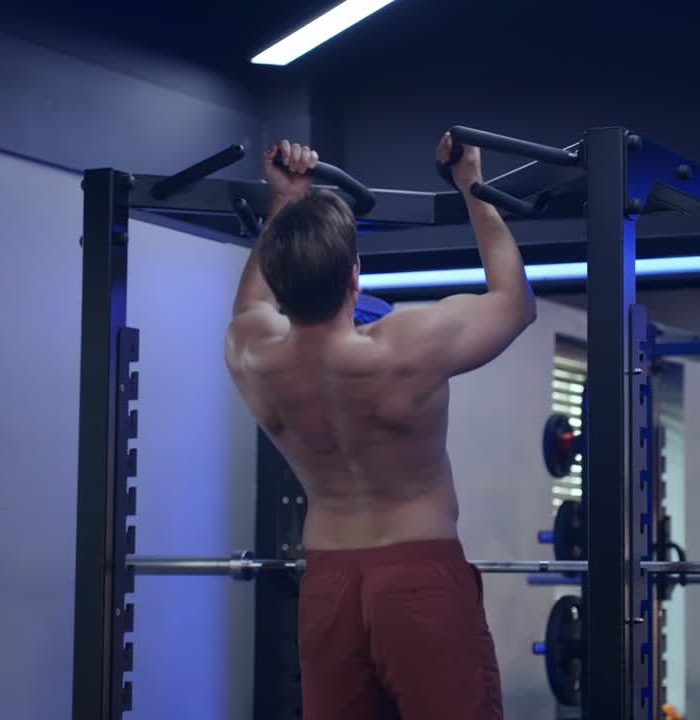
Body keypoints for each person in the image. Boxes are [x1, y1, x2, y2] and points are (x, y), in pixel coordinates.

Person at [224, 135, 535, 719]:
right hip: (421, 580)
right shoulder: (405, 346)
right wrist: (471, 184)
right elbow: (515, 302)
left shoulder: (254, 357)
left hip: (327, 584)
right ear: (353, 280)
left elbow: (249, 306)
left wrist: (285, 200)